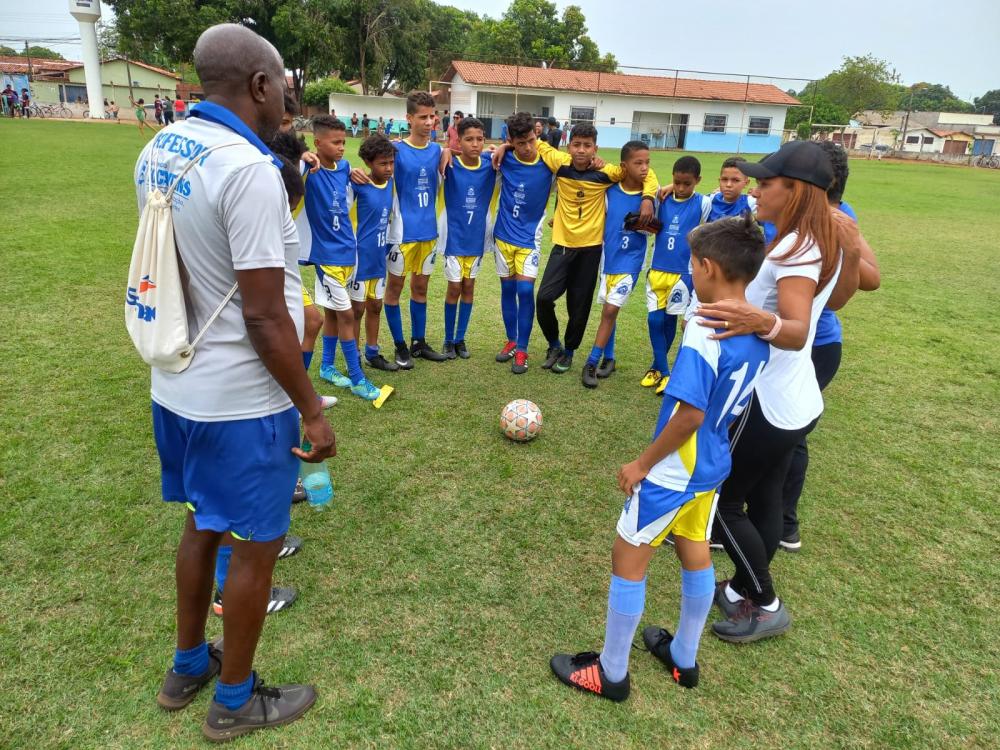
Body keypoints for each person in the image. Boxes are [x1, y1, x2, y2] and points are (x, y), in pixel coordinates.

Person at [137, 23, 332, 740]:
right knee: (252, 543)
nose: (288, 93)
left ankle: (188, 665)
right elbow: (264, 315)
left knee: (201, 524)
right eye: (284, 81)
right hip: (242, 399)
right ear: (259, 85)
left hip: (178, 385)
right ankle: (234, 700)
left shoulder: (161, 146)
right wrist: (311, 409)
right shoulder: (248, 170)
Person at [550, 214, 771, 700]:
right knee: (694, 550)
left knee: (628, 557)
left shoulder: (703, 329)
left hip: (674, 470)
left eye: (693, 264)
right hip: (712, 466)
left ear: (708, 267)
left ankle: (611, 673)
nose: (690, 271)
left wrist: (642, 464)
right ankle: (684, 657)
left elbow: (688, 415)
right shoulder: (757, 329)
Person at [693, 140, 862, 643]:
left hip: (768, 401)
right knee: (764, 493)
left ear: (796, 192)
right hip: (798, 396)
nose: (756, 190)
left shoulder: (795, 249)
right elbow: (843, 298)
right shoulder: (816, 239)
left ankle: (764, 601)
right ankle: (747, 586)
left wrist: (754, 316)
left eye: (767, 183)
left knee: (722, 502)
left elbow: (793, 329)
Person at [777, 141, 880, 551]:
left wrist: (850, 248)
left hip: (815, 343)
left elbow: (870, 278)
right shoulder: (775, 207)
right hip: (772, 337)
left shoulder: (838, 214)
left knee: (791, 433)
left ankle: (784, 523)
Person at [493, 122, 657, 374]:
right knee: (544, 298)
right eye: (577, 145)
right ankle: (554, 344)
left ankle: (569, 352)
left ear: (595, 148)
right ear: (569, 146)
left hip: (590, 250)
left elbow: (644, 171)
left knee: (578, 307)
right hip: (562, 246)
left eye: (587, 146)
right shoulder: (558, 162)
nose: (581, 150)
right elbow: (534, 144)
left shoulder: (609, 172)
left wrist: (648, 198)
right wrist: (505, 145)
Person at [350, 90, 448, 367]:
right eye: (423, 117)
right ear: (409, 118)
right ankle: (400, 345)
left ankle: (418, 343)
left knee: (421, 288)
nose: (429, 122)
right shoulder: (395, 151)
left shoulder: (439, 151)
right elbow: (372, 170)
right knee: (393, 291)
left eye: (433, 116)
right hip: (401, 235)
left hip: (429, 233)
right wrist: (351, 171)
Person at [300, 115, 383, 401]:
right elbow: (287, 162)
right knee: (347, 315)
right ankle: (358, 379)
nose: (340, 147)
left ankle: (326, 367)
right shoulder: (309, 169)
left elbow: (352, 176)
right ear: (317, 142)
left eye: (343, 142)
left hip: (349, 253)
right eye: (335, 142)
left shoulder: (346, 167)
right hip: (326, 258)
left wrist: (356, 173)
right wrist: (302, 155)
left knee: (334, 314)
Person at [581, 141, 651, 388]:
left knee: (611, 310)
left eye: (647, 163)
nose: (644, 168)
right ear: (624, 166)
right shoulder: (609, 192)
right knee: (608, 311)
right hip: (607, 261)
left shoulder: (650, 197)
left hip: (631, 263)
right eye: (638, 163)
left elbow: (657, 227)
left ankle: (591, 361)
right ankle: (609, 359)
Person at [490, 112, 554, 374]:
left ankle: (524, 349)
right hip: (503, 236)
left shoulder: (550, 163)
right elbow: (471, 153)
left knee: (525, 291)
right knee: (507, 290)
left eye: (530, 140)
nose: (527, 148)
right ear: (510, 141)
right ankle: (512, 340)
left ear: (536, 135)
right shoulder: (503, 159)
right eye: (520, 143)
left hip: (529, 239)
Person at [643, 156, 712, 394]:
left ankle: (656, 369)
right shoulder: (661, 200)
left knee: (669, 320)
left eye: (687, 184)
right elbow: (649, 192)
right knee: (654, 319)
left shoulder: (703, 203)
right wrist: (665, 188)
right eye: (677, 182)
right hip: (657, 269)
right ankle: (664, 371)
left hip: (683, 274)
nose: (681, 188)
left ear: (697, 181)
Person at [437, 116, 497, 359]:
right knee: (454, 288)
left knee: (469, 287)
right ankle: (448, 339)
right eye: (469, 139)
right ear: (458, 141)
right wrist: (444, 150)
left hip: (477, 239)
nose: (475, 144)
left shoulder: (491, 165)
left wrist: (501, 147)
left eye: (479, 139)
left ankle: (461, 339)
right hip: (453, 238)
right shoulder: (448, 165)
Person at [350, 134, 398, 372]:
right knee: (356, 309)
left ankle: (372, 352)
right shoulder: (358, 184)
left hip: (379, 257)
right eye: (382, 163)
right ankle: (353, 356)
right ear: (369, 163)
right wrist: (350, 171)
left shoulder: (391, 182)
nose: (388, 168)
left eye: (391, 162)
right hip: (360, 258)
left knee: (376, 305)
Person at [708, 156, 756, 221]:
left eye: (736, 180)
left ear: (746, 183)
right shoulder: (710, 200)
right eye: (724, 179)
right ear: (719, 180)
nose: (728, 185)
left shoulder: (751, 203)